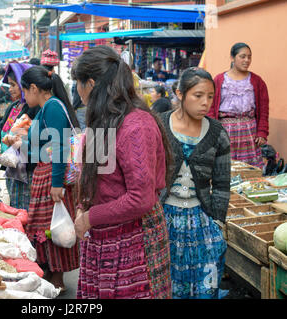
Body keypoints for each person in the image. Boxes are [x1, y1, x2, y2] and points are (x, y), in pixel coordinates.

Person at [72, 45, 172, 299]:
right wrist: (83, 207)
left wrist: (90, 217)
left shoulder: (136, 125)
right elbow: (92, 180)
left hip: (133, 239)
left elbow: (141, 198)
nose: (77, 91)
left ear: (91, 84)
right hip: (102, 237)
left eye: (78, 84)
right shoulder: (101, 119)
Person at [159, 67, 230, 299]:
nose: (205, 103)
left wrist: (217, 221)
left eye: (210, 96)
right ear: (180, 94)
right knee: (166, 283)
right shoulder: (158, 126)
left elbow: (221, 183)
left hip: (202, 218)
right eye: (198, 95)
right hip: (164, 217)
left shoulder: (218, 133)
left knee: (205, 286)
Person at [12, 65, 80, 291]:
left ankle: (57, 280)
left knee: (53, 228)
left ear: (34, 88)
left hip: (52, 175)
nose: (23, 96)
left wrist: (57, 184)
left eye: (24, 91)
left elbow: (60, 146)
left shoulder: (52, 107)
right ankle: (50, 273)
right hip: (44, 173)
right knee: (45, 227)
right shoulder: (44, 108)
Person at [0, 62, 39, 210]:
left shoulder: (34, 109)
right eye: (9, 85)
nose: (10, 89)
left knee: (24, 208)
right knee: (15, 206)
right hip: (10, 167)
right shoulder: (13, 107)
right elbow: (1, 134)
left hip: (26, 170)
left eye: (13, 85)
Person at [207, 42, 269, 169]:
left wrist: (262, 132)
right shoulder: (219, 80)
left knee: (250, 170)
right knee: (225, 169)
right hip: (225, 132)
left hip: (250, 133)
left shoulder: (257, 81)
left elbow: (264, 109)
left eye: (249, 57)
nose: (247, 60)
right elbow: (211, 107)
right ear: (232, 58)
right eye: (242, 56)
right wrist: (213, 132)